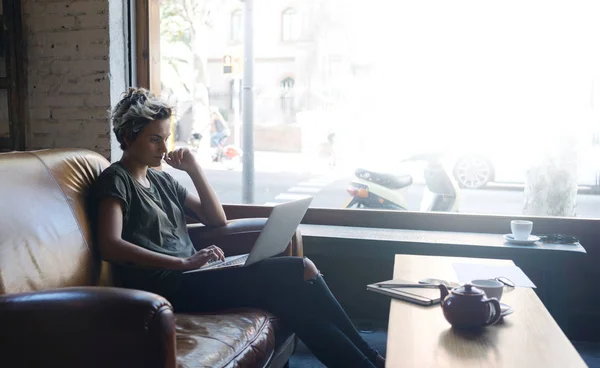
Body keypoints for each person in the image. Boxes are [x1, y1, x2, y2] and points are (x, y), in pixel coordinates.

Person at [88, 88, 385, 368]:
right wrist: (182, 262)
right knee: (302, 269)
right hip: (170, 287)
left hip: (195, 276)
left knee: (294, 304)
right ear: (128, 137)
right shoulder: (117, 181)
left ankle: (368, 362)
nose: (164, 148)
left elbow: (216, 220)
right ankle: (372, 359)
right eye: (155, 139)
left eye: (166, 138)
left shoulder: (162, 180)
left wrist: (194, 169)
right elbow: (110, 244)